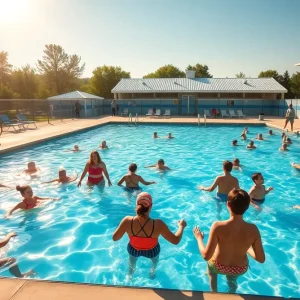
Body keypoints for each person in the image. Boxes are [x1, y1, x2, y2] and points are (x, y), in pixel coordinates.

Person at [193, 189, 265, 293]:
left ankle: (214, 292)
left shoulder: (217, 226)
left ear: (228, 205)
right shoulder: (253, 229)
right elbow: (261, 259)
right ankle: (232, 293)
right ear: (247, 207)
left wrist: (199, 238)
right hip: (239, 269)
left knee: (211, 268)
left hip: (218, 266)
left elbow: (206, 256)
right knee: (232, 280)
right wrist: (247, 247)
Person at [112, 192, 187, 278]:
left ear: (136, 205)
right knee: (154, 263)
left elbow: (115, 238)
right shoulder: (158, 224)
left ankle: (129, 276)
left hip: (133, 249)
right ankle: (152, 272)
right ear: (151, 206)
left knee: (132, 263)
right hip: (152, 251)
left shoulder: (127, 221)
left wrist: (122, 226)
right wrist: (181, 226)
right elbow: (176, 240)